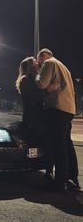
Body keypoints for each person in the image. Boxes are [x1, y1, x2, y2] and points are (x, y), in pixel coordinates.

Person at [36, 48, 80, 192]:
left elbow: (41, 83)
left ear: (43, 56)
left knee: (58, 145)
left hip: (56, 108)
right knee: (67, 143)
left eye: (39, 61)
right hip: (69, 109)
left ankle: (59, 182)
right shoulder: (64, 67)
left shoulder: (48, 63)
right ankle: (72, 176)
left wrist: (38, 74)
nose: (39, 64)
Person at [16, 56, 53, 178]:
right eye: (35, 62)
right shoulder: (25, 80)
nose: (38, 63)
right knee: (45, 143)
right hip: (33, 118)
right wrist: (49, 90)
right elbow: (34, 97)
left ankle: (47, 169)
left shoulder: (35, 77)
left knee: (44, 143)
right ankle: (47, 171)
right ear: (29, 66)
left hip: (37, 116)